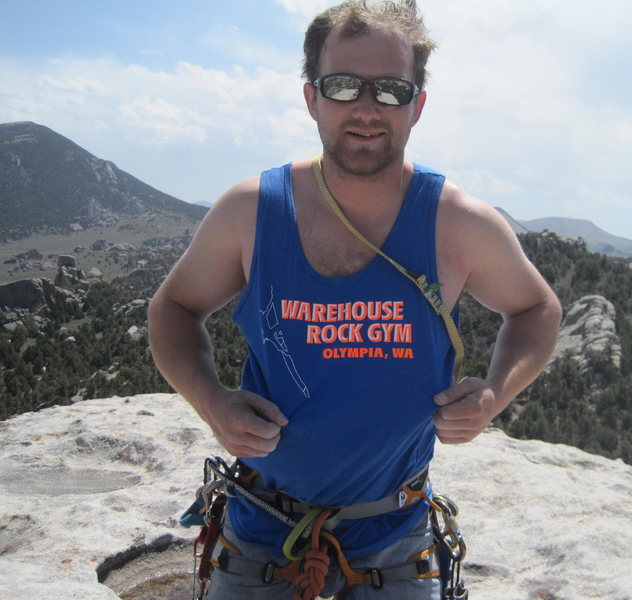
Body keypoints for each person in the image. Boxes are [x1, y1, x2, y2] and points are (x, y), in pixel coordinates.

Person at [148, 1, 562, 598]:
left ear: (418, 105)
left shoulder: (456, 223)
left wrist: (496, 393)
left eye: (391, 90)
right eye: (342, 86)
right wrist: (212, 402)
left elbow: (536, 308)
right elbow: (173, 308)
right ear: (312, 97)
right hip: (261, 532)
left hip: (395, 542)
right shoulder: (253, 212)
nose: (366, 109)